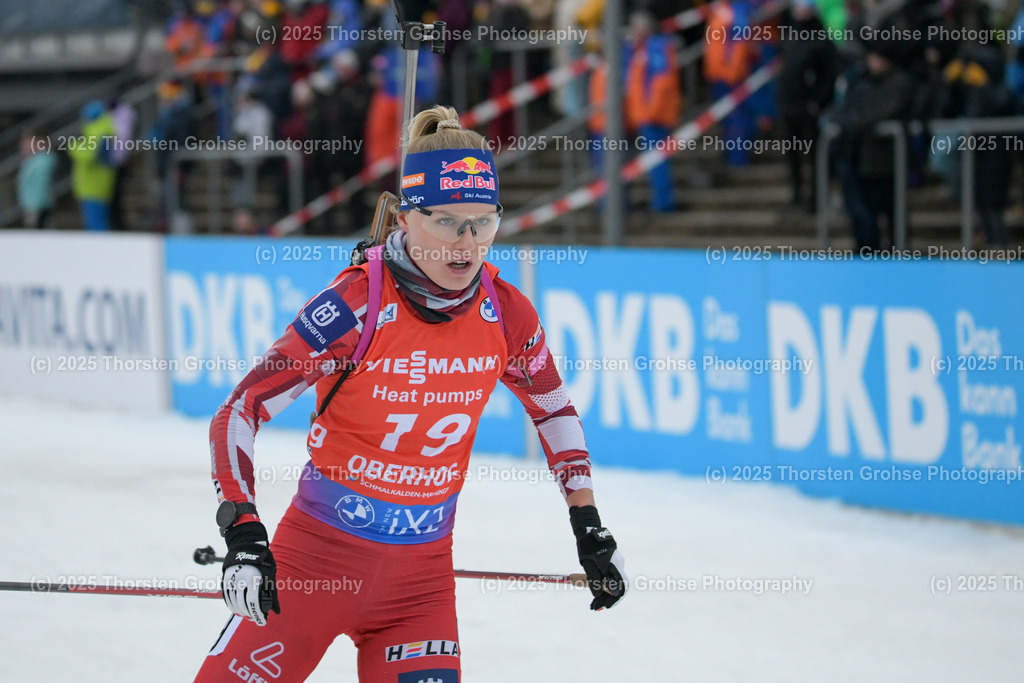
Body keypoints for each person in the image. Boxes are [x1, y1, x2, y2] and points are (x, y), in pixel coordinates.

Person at [194, 105, 627, 683]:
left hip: (419, 587)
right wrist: (243, 531)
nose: (467, 243)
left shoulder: (508, 313)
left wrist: (588, 524)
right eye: (446, 221)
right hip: (311, 565)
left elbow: (554, 413)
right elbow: (240, 411)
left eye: (483, 222)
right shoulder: (355, 305)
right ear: (403, 217)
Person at [776, 0, 836, 210]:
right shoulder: (791, 35)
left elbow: (830, 74)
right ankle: (797, 196)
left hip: (809, 107)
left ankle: (816, 198)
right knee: (792, 154)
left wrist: (818, 101)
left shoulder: (820, 38)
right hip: (790, 105)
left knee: (815, 154)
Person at [68, 100, 116, 232]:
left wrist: (74, 146)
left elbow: (88, 155)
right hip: (98, 183)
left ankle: (100, 251)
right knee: (98, 222)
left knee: (96, 225)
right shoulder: (104, 129)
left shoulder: (97, 131)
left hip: (93, 185)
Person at [17, 128, 57, 229]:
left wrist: (35, 205)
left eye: (27, 143)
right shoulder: (31, 161)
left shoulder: (43, 161)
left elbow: (41, 184)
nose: (24, 147)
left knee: (37, 231)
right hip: (30, 203)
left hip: (37, 205)